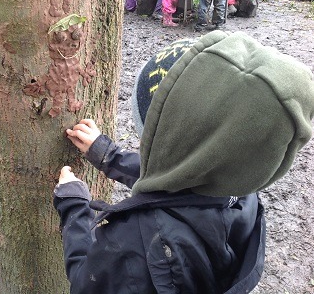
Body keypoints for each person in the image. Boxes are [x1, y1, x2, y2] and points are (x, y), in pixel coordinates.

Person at [53, 31, 314, 293]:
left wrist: (74, 207)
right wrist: (109, 155)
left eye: (151, 137)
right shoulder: (241, 191)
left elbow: (86, 282)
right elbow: (177, 181)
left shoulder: (134, 240)